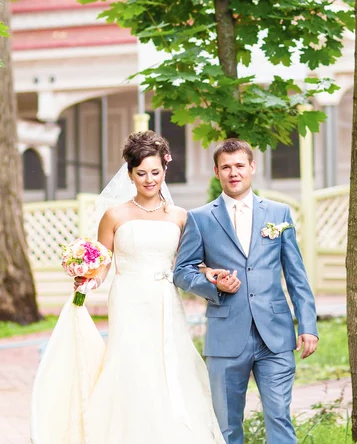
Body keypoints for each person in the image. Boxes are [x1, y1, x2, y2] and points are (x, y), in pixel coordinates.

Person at [30, 131, 223, 444]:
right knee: (132, 364)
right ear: (130, 174)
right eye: (141, 173)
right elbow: (103, 264)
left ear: (165, 170)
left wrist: (209, 272)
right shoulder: (114, 215)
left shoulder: (180, 216)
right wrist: (88, 279)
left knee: (167, 363)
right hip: (129, 298)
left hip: (164, 299)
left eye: (155, 173)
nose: (149, 180)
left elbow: (188, 262)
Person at [174, 138, 318, 444]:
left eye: (239, 165)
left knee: (279, 417)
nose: (233, 172)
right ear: (216, 171)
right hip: (226, 338)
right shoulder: (200, 218)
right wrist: (212, 284)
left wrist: (308, 326)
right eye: (226, 167)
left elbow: (296, 275)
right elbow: (182, 272)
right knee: (227, 427)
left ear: (252, 167)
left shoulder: (279, 214)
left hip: (275, 336)